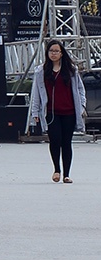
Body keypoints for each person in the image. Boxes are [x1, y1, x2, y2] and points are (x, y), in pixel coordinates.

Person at [26, 38, 85, 183]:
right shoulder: (41, 71)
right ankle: (57, 169)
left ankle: (67, 174)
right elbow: (36, 94)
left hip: (69, 111)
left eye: (56, 51)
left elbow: (80, 89)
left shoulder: (71, 70)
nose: (53, 54)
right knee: (55, 140)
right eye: (51, 51)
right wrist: (35, 112)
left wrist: (82, 106)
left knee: (66, 142)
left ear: (61, 53)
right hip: (51, 112)